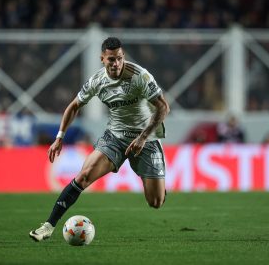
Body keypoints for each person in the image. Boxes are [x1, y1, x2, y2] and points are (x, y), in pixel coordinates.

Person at [29, 37, 170, 242]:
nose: (116, 64)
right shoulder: (97, 81)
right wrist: (59, 137)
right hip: (115, 136)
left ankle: (159, 186)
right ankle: (48, 226)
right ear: (102, 59)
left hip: (145, 140)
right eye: (111, 59)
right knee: (84, 176)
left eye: (120, 58)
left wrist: (143, 137)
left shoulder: (140, 76)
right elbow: (74, 106)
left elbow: (163, 107)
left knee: (155, 202)